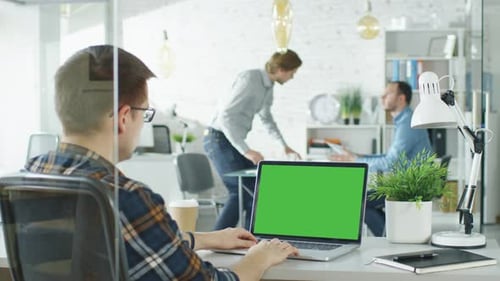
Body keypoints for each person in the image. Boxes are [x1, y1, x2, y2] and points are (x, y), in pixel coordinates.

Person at [25, 45, 298, 281]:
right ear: (123, 118)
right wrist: (259, 257)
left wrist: (203, 238)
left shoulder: (31, 175)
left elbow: (112, 242)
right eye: (145, 113)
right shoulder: (127, 197)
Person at [203, 50, 303, 230]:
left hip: (232, 141)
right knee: (239, 190)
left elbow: (266, 119)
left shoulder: (268, 87)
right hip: (218, 139)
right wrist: (246, 150)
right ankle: (214, 241)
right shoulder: (250, 79)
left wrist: (284, 146)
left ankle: (252, 241)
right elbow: (226, 115)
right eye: (292, 73)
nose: (292, 77)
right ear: (281, 69)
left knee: (257, 189)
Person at [331, 81, 432, 236]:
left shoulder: (407, 124)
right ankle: (392, 232)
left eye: (388, 93)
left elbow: (390, 163)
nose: (382, 96)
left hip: (410, 187)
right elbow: (391, 156)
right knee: (362, 199)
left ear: (401, 98)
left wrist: (355, 161)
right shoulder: (405, 120)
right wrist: (361, 157)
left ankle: (391, 236)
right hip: (406, 183)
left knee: (358, 201)